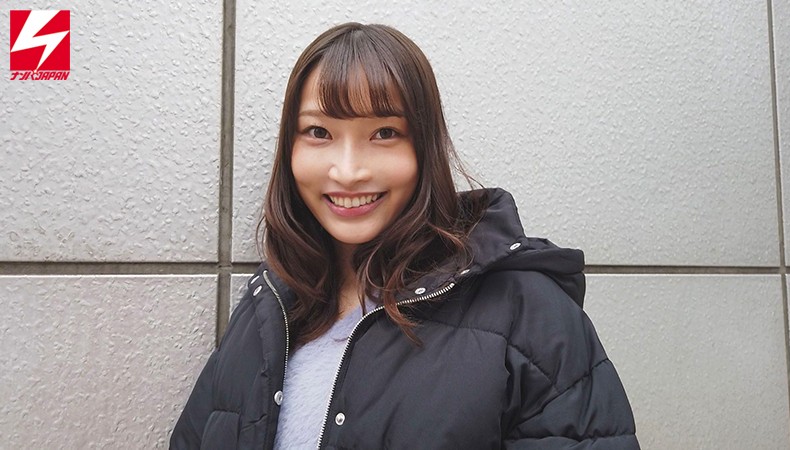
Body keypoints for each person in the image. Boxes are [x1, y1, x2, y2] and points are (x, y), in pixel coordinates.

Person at [170, 22, 639, 449]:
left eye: (384, 133)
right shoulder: (269, 307)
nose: (348, 171)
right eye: (318, 132)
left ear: (425, 147)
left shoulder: (528, 313)